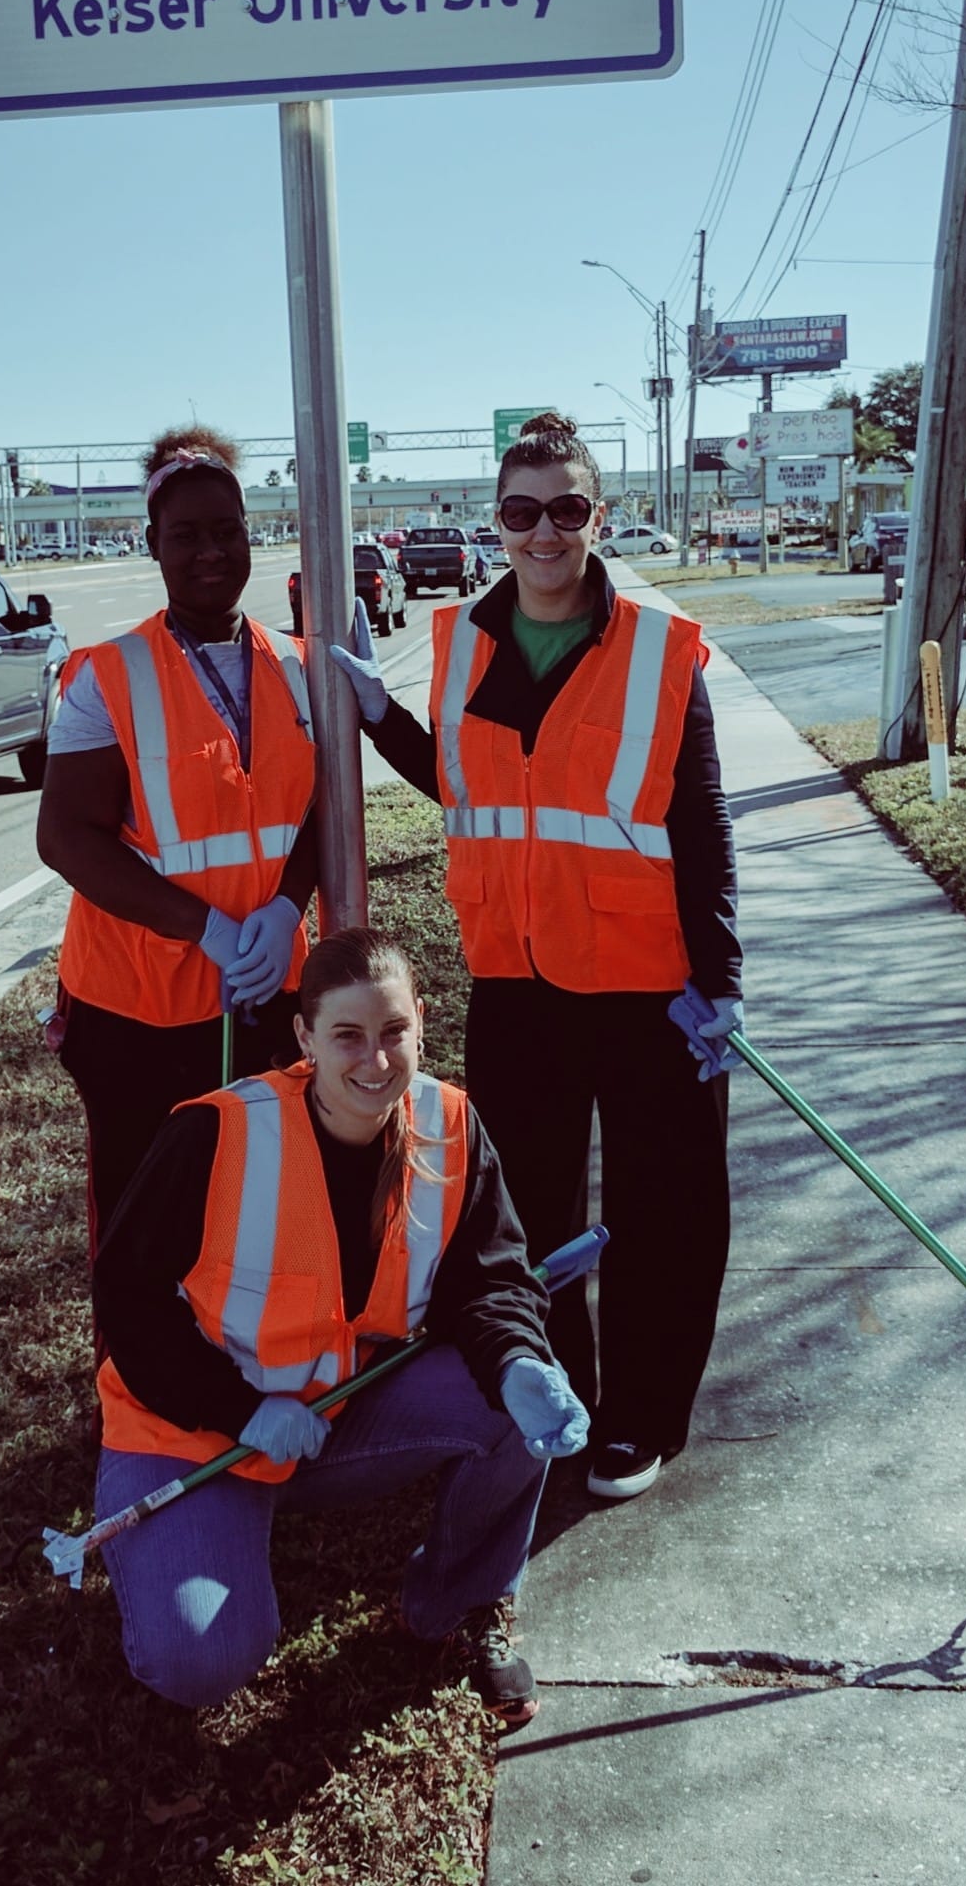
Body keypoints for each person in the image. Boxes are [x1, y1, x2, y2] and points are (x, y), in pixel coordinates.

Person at [332, 411, 743, 1503]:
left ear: (597, 516)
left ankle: (640, 1421)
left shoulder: (656, 652)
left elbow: (699, 824)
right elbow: (475, 794)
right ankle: (551, 1394)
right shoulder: (467, 641)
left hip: (650, 989)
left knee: (665, 1215)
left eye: (566, 508)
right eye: (522, 512)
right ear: (497, 525)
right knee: (526, 1223)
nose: (543, 532)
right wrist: (380, 719)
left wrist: (721, 983)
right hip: (516, 984)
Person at [91, 928, 589, 1727]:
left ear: (422, 1021)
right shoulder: (218, 1132)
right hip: (196, 1436)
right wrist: (238, 1407)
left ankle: (457, 1603)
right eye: (347, 1036)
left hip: (334, 1416)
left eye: (394, 1032)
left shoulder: (450, 1122)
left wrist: (521, 1360)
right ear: (304, 1037)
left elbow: (489, 1277)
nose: (376, 1060)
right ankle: (178, 1552)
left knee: (511, 1404)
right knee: (201, 1659)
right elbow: (127, 1296)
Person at [37, 427, 319, 1257]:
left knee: (261, 1214)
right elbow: (67, 839)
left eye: (227, 531)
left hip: (270, 990)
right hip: (138, 1012)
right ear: (152, 545)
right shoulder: (109, 676)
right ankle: (138, 1389)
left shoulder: (297, 665)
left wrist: (283, 910)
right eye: (186, 535)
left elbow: (320, 810)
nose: (211, 552)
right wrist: (208, 929)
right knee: (147, 1230)